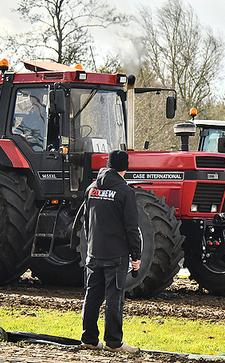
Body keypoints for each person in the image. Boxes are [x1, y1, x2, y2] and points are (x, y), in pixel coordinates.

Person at [80, 150, 141, 353]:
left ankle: (89, 338)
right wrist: (136, 256)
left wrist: (90, 247)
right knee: (114, 298)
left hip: (94, 253)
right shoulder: (125, 192)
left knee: (92, 297)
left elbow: (87, 223)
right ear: (126, 167)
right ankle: (114, 343)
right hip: (116, 256)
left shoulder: (91, 189)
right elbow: (132, 228)